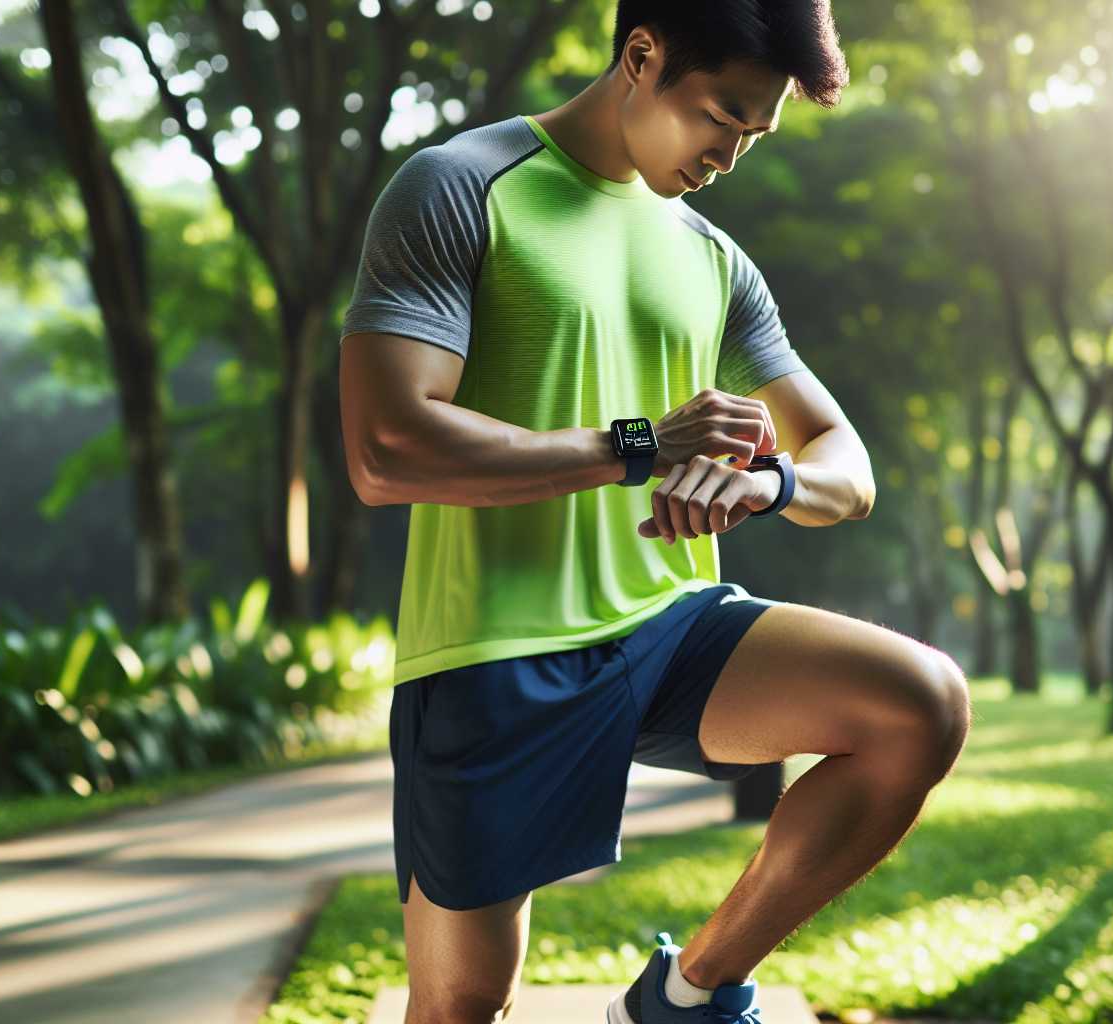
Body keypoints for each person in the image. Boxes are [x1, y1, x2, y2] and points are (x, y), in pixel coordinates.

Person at [337, 1, 972, 1020]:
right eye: (720, 119)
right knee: (462, 1004)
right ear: (642, 54)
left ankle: (686, 993)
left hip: (670, 629)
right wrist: (637, 447)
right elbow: (384, 448)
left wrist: (767, 484)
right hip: (493, 648)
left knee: (918, 704)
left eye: (752, 137)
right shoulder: (459, 186)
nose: (729, 157)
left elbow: (843, 465)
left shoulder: (714, 260)